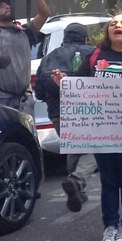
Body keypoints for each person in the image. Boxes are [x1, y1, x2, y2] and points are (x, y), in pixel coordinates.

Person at [53, 13, 122, 241]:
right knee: (109, 181)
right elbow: (77, 85)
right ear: (108, 32)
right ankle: (110, 226)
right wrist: (63, 82)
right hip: (101, 130)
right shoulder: (95, 56)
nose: (117, 26)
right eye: (113, 23)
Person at [34, 22, 97, 212]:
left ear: (64, 38)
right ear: (86, 38)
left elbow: (39, 93)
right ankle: (77, 179)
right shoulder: (94, 53)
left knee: (74, 146)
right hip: (90, 112)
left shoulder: (48, 58)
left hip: (58, 114)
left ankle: (78, 189)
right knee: (98, 146)